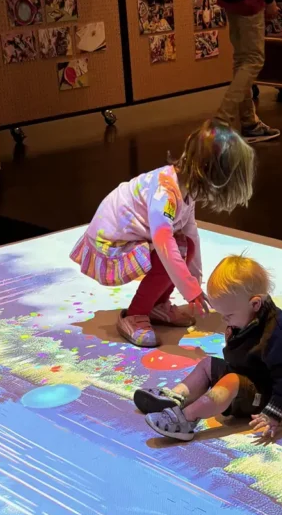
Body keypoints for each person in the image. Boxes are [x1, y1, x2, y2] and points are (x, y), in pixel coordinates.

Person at [70, 120, 256, 348]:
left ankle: (157, 305)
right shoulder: (165, 193)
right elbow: (164, 244)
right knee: (169, 252)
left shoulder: (186, 189)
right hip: (110, 244)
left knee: (184, 244)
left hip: (133, 238)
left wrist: (195, 281)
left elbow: (190, 231)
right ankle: (133, 315)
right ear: (212, 174)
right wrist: (189, 289)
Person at [137, 254, 282, 441]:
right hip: (247, 375)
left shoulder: (281, 334)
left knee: (231, 380)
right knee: (207, 363)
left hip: (266, 395)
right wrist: (232, 340)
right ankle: (177, 397)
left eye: (229, 315)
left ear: (255, 303)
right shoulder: (247, 319)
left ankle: (186, 419)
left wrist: (273, 413)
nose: (224, 320)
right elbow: (239, 356)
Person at [217, 0, 281, 143]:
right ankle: (222, 119)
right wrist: (269, 0)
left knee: (241, 60)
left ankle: (249, 123)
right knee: (254, 59)